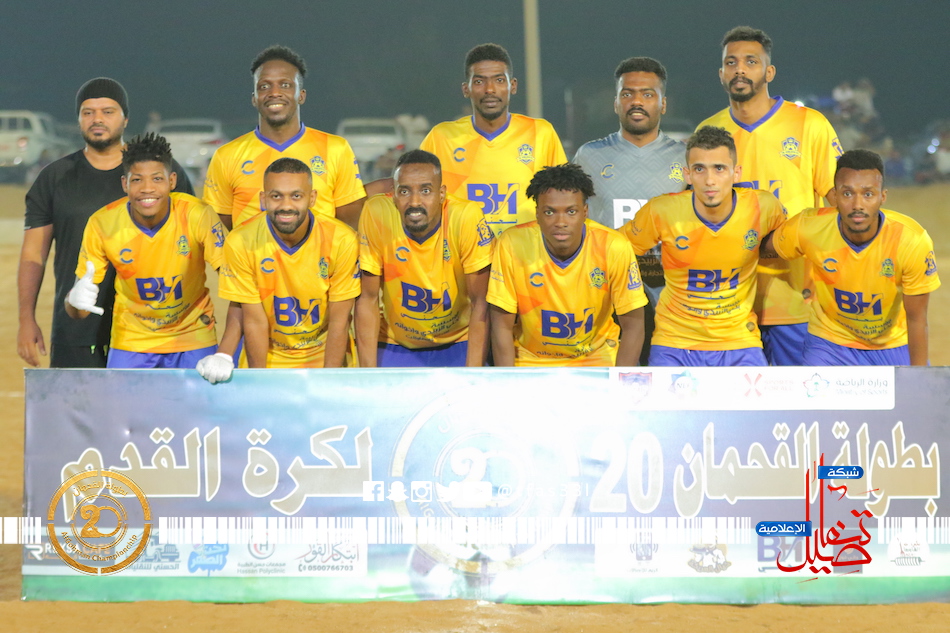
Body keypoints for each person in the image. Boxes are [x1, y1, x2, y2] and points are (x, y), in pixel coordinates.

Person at [17, 77, 194, 368]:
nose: (97, 119)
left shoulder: (158, 173)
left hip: (152, 333)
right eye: (88, 112)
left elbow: (191, 244)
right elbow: (33, 254)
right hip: (76, 329)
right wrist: (26, 319)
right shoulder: (54, 177)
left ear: (125, 119)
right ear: (78, 120)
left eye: (107, 112)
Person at [698, 26, 842, 365]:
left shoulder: (809, 124)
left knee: (800, 393)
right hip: (729, 306)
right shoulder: (709, 131)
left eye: (751, 62)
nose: (740, 70)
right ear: (721, 73)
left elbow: (841, 202)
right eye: (731, 63)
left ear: (769, 72)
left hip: (796, 300)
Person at [620, 126, 786, 367]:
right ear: (687, 175)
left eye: (719, 168)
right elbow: (614, 250)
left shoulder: (764, 206)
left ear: (736, 173)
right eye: (700, 169)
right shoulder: (662, 211)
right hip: (674, 342)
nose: (709, 180)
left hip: (739, 342)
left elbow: (788, 241)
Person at [760, 149, 940, 366]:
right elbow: (757, 249)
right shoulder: (808, 227)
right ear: (835, 196)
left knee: (912, 388)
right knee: (814, 388)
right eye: (847, 194)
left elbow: (917, 318)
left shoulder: (911, 241)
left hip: (892, 344)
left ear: (882, 197)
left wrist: (919, 376)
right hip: (830, 343)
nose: (857, 205)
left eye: (868, 194)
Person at [65, 133, 226, 368]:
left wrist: (227, 352)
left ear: (172, 181)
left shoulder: (197, 215)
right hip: (132, 340)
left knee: (203, 393)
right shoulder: (102, 224)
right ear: (125, 184)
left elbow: (235, 281)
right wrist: (75, 300)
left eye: (157, 179)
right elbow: (77, 311)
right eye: (137, 180)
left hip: (193, 335)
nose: (147, 188)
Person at [197, 158, 360, 383]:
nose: (286, 206)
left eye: (296, 196)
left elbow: (340, 322)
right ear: (263, 199)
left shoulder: (342, 240)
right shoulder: (240, 241)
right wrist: (260, 380)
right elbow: (254, 321)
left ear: (312, 198)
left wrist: (328, 380)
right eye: (276, 196)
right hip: (269, 358)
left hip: (324, 357)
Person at [572, 56, 686, 364]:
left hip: (669, 302)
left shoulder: (687, 158)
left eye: (647, 94)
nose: (637, 101)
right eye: (628, 94)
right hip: (606, 299)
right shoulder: (589, 156)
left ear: (663, 104)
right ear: (616, 103)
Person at [487, 163, 646, 366]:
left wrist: (621, 381)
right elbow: (501, 326)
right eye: (550, 212)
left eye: (571, 212)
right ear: (537, 214)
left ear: (585, 212)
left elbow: (634, 325)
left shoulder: (614, 246)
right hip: (532, 359)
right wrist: (507, 380)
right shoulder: (512, 244)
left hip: (597, 357)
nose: (560, 222)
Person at [203, 45, 365, 231]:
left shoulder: (336, 148)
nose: (274, 93)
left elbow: (348, 225)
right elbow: (218, 230)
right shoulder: (226, 156)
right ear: (254, 98)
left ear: (301, 96)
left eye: (285, 85)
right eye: (264, 86)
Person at [356, 150, 493, 367]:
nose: (414, 202)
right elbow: (368, 298)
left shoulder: (465, 216)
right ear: (393, 194)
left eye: (426, 190)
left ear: (442, 194)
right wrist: (367, 375)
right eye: (404, 191)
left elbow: (481, 302)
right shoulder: (376, 212)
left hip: (458, 339)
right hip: (395, 342)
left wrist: (472, 376)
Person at [420, 43, 567, 237]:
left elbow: (563, 198)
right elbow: (415, 194)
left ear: (513, 86)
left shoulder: (541, 133)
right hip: (462, 253)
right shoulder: (441, 137)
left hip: (524, 252)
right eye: (479, 81)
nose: (490, 89)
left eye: (499, 80)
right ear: (466, 89)